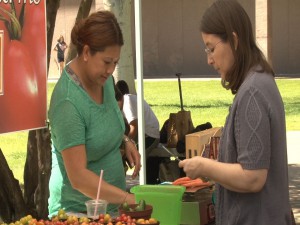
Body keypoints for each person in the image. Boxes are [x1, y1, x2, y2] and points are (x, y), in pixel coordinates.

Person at [179, 1, 292, 225]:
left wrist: (203, 166)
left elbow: (253, 178)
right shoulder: (259, 82)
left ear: (234, 40)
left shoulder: (252, 92)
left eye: (211, 48)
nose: (209, 59)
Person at [48, 11, 141, 217]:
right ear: (87, 52)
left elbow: (107, 124)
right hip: (76, 213)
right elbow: (79, 177)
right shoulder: (68, 102)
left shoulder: (103, 79)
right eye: (107, 61)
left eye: (115, 63)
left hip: (110, 210)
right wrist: (128, 199)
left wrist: (125, 141)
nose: (111, 70)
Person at [116, 80, 161, 184]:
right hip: (146, 134)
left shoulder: (127, 102)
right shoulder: (130, 98)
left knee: (136, 157)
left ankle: (146, 184)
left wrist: (126, 144)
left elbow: (134, 127)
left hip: (150, 135)